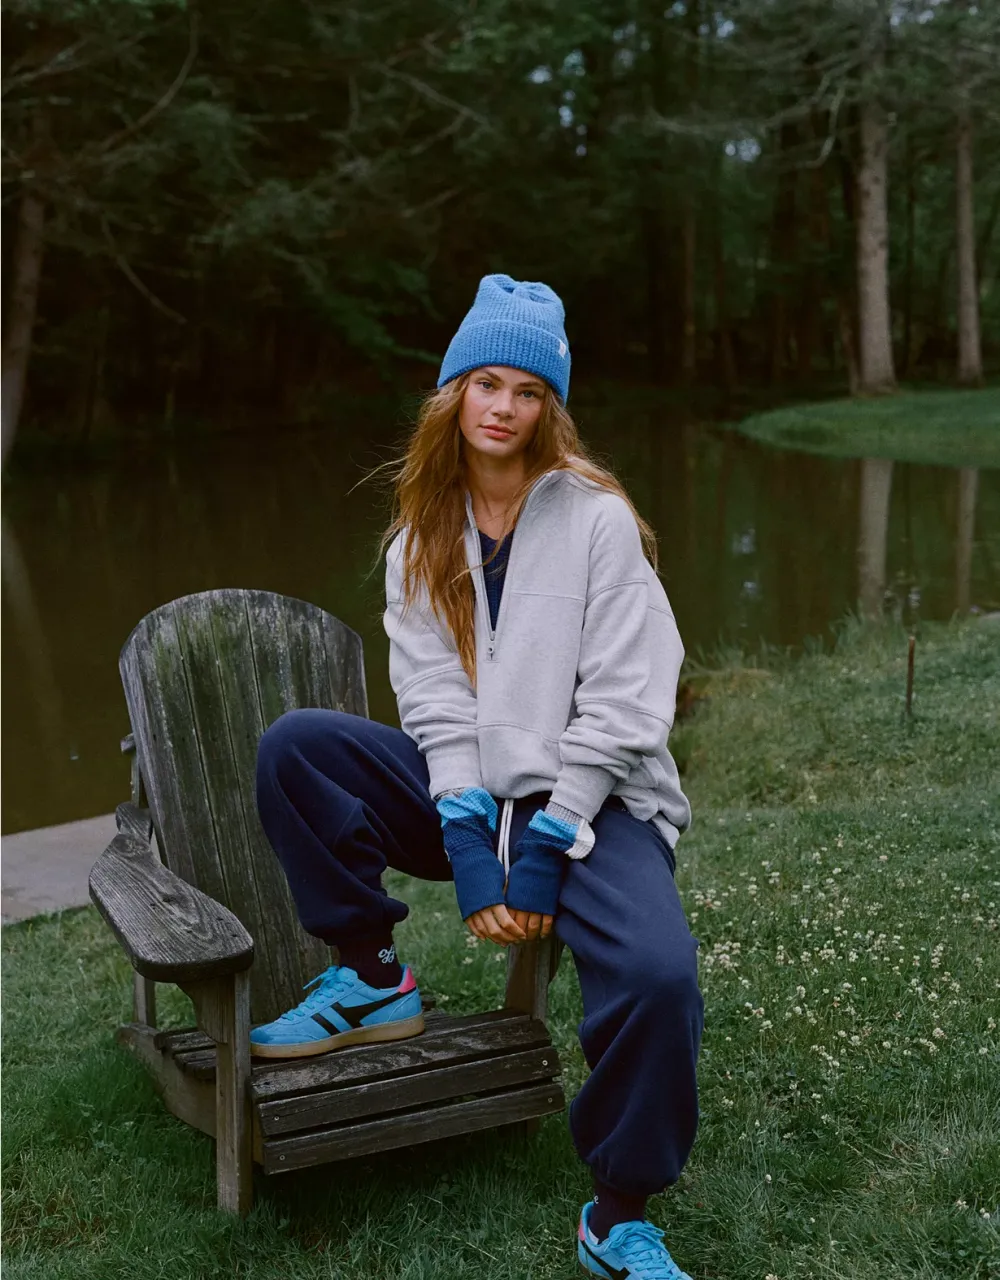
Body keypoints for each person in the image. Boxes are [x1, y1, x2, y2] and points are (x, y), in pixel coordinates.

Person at [252, 274, 704, 1279]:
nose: (503, 407)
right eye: (486, 383)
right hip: (476, 785)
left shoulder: (596, 520)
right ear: (452, 392)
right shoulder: (420, 532)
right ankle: (371, 976)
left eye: (527, 392)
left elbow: (628, 701)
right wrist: (464, 835)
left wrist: (547, 842)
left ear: (550, 409)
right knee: (299, 746)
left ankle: (618, 1211)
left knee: (659, 976)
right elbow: (433, 701)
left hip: (595, 796)